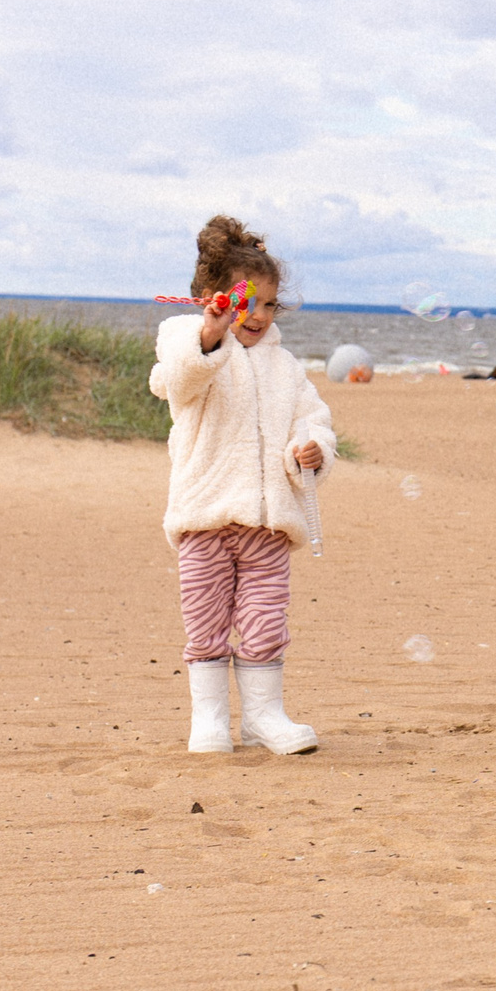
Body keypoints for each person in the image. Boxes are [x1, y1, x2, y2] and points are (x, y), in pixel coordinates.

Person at [148, 216, 337, 756]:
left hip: (268, 524)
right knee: (205, 620)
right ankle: (209, 720)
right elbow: (182, 378)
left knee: (264, 622)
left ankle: (262, 716)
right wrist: (209, 334)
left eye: (270, 304)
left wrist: (312, 450)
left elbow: (315, 421)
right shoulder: (184, 341)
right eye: (246, 301)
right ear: (213, 298)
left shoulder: (286, 367)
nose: (258, 315)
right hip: (204, 517)